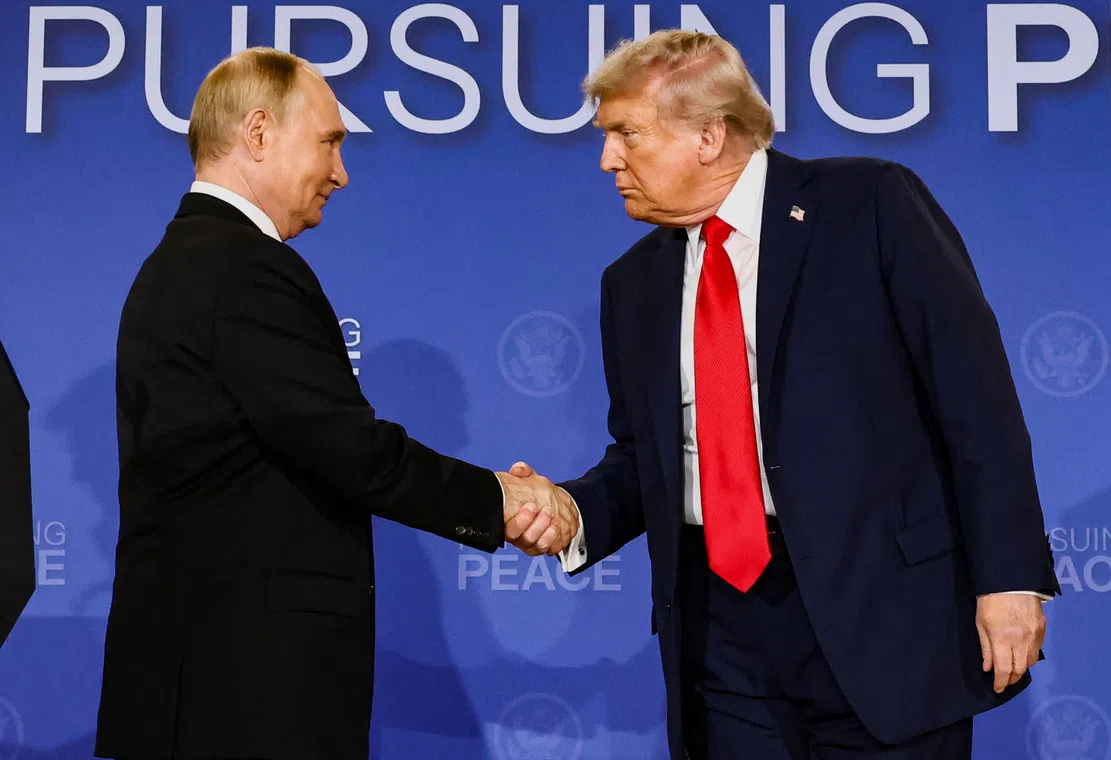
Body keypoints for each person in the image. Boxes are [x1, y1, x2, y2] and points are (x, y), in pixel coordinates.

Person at [506, 29, 1058, 760]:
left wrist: (1011, 578)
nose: (608, 159)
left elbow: (976, 403)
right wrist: (573, 512)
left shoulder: (869, 205)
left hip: (882, 613)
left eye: (625, 134)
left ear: (708, 136)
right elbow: (648, 459)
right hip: (722, 634)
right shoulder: (633, 284)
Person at [94, 47, 575, 760]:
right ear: (258, 134)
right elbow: (348, 449)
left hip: (205, 683)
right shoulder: (243, 268)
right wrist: (499, 499)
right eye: (329, 142)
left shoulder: (187, 263)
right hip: (240, 697)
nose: (341, 174)